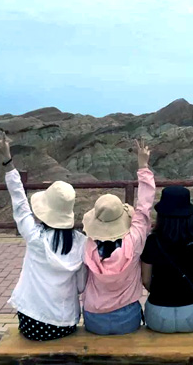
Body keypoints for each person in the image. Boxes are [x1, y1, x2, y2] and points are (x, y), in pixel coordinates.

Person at [0, 132, 87, 341]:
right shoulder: (81, 243)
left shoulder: (35, 237)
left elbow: (19, 201)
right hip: (65, 324)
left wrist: (8, 161)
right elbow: (81, 286)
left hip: (32, 323)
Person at [140, 133, 193, 334]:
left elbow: (146, 280)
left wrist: (143, 164)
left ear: (162, 212)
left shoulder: (152, 241)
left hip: (158, 317)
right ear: (187, 210)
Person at [81, 140, 155, 335]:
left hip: (94, 318)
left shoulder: (88, 246)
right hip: (127, 317)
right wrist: (143, 166)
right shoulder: (134, 241)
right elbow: (144, 206)